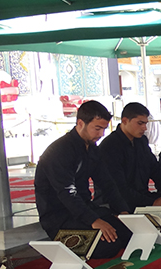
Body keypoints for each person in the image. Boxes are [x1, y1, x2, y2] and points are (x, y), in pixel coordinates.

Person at [34, 101, 131, 259]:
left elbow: (106, 182)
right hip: (60, 217)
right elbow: (67, 193)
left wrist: (123, 211)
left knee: (128, 232)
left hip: (85, 208)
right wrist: (93, 220)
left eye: (104, 129)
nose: (101, 134)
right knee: (109, 246)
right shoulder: (59, 151)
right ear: (80, 123)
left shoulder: (92, 148)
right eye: (97, 128)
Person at [96, 103, 161, 223]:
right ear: (125, 121)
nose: (144, 128)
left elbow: (156, 170)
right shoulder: (110, 147)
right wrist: (152, 202)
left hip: (141, 197)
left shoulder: (141, 141)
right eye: (140, 123)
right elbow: (118, 189)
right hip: (118, 203)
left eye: (145, 123)